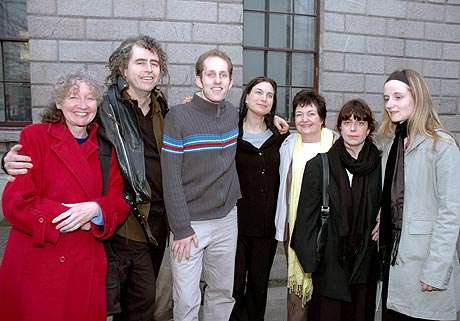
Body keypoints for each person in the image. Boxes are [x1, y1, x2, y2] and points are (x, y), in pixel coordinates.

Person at [2, 35, 173, 321]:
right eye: (140, 62)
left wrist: (96, 211)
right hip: (97, 238)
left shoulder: (161, 109)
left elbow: (121, 189)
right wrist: (8, 162)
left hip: (147, 228)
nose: (82, 104)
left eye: (154, 63)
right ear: (123, 68)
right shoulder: (104, 109)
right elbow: (20, 195)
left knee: (141, 307)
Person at [0, 72, 130, 321]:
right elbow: (15, 203)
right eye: (73, 97)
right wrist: (74, 217)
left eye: (90, 98)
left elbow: (118, 200)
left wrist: (95, 210)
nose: (82, 105)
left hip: (84, 261)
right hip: (39, 260)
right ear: (59, 103)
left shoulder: (106, 146)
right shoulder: (35, 137)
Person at [378, 69, 460, 321]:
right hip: (392, 262)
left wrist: (436, 272)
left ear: (418, 97)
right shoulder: (392, 144)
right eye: (386, 98)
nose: (390, 104)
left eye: (398, 97)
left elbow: (451, 212)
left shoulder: (442, 145)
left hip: (424, 266)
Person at [291, 99, 381, 321]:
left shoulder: (380, 164)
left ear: (368, 128)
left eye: (360, 122)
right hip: (330, 268)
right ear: (338, 126)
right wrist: (314, 262)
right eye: (347, 121)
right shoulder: (319, 165)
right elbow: (304, 222)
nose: (353, 128)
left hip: (364, 265)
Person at [274, 90, 337, 321]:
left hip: (327, 229)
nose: (305, 119)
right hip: (295, 228)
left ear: (322, 118)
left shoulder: (336, 144)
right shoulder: (288, 144)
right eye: (299, 114)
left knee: (324, 288)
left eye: (311, 113)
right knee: (296, 292)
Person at [230, 76, 289, 321]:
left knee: (258, 287)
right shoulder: (230, 131)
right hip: (233, 225)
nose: (264, 98)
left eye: (270, 95)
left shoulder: (280, 137)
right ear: (246, 96)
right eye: (259, 92)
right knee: (232, 287)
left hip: (266, 227)